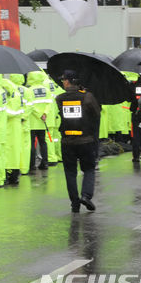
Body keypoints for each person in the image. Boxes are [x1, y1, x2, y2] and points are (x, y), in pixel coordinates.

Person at [56, 70, 101, 213]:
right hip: (86, 140)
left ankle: (74, 203)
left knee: (70, 173)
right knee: (88, 169)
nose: (62, 82)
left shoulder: (59, 98)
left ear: (69, 81)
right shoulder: (87, 97)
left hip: (67, 142)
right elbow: (96, 114)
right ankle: (86, 196)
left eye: (63, 80)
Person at [25, 71, 53, 171]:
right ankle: (44, 163)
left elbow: (30, 105)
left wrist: (39, 114)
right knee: (43, 142)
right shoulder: (47, 90)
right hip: (43, 121)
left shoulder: (29, 90)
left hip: (33, 121)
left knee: (32, 143)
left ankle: (32, 165)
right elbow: (50, 103)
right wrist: (45, 113)